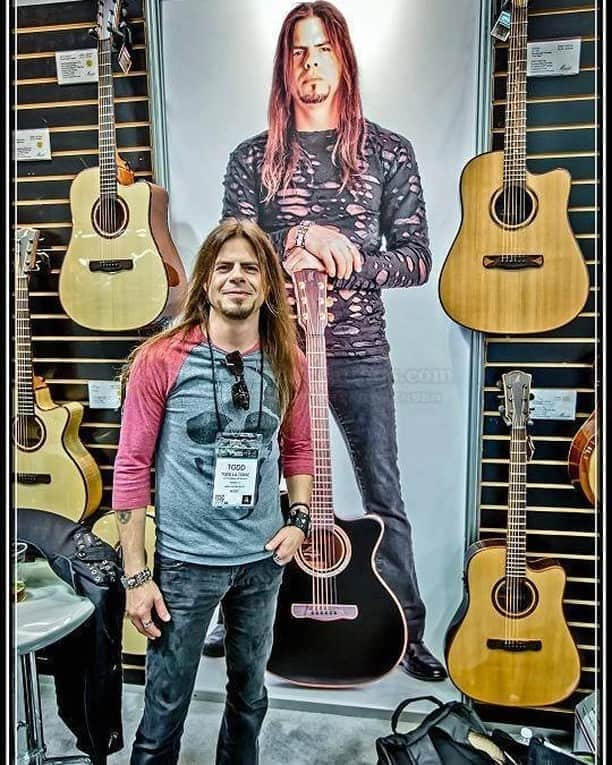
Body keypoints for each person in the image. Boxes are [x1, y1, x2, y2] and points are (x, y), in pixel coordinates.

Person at [210, 0, 446, 682]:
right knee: (251, 487)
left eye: (321, 49)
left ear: (343, 57)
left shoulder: (388, 152)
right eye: (296, 51)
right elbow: (235, 247)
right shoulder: (253, 158)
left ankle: (407, 628)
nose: (309, 64)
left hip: (360, 351)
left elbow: (416, 258)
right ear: (284, 66)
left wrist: (351, 258)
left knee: (382, 492)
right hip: (270, 354)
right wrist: (302, 237)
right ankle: (242, 617)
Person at [112, 218, 314, 765]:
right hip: (184, 565)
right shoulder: (162, 359)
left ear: (268, 285)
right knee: (163, 711)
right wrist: (137, 577)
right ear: (205, 282)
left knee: (249, 700)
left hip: (261, 561)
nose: (237, 277)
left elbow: (298, 450)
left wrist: (298, 521)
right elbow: (130, 467)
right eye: (224, 267)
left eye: (250, 268)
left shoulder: (287, 361)